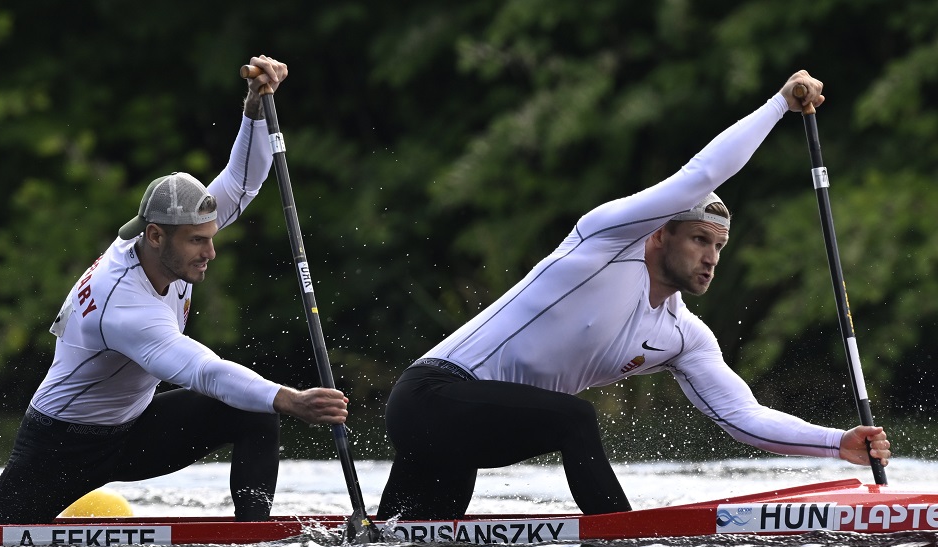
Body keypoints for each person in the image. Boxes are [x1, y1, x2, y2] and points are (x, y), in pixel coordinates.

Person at [376, 70, 891, 521]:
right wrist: (780, 104)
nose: (711, 257)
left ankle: (368, 537)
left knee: (415, 546)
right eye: (699, 239)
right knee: (575, 418)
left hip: (470, 434)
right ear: (659, 234)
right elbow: (703, 175)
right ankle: (620, 540)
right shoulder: (606, 241)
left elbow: (744, 418)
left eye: (718, 246)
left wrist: (837, 443)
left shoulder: (684, 336)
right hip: (430, 398)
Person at [0, 55, 349, 525]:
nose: (210, 252)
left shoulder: (170, 236)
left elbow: (242, 184)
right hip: (62, 443)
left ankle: (253, 537)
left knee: (253, 410)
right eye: (198, 242)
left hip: (134, 429)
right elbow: (202, 370)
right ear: (155, 236)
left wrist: (255, 109)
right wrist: (291, 399)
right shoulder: (123, 303)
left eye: (210, 237)